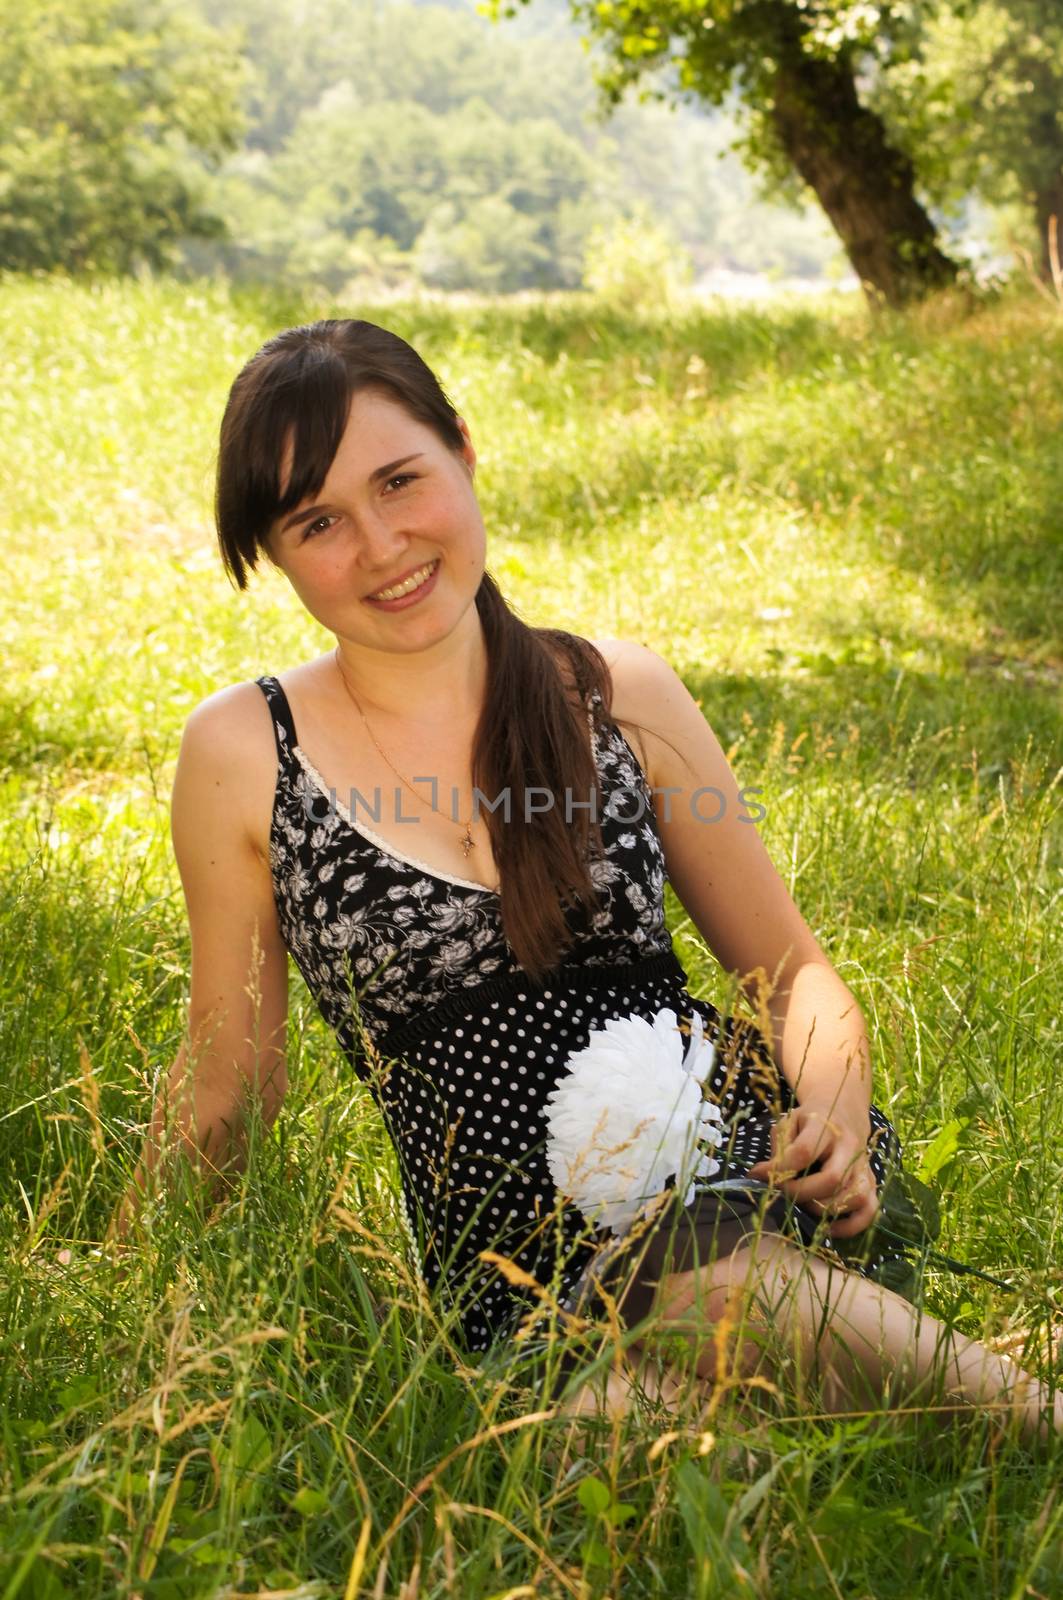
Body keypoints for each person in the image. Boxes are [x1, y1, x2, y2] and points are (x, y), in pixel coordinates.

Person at [110, 318, 1060, 1446]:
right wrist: (110, 1287)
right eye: (319, 520)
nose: (380, 546)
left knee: (718, 1292)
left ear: (464, 450)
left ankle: (1028, 1424)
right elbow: (228, 1084)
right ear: (273, 551)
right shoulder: (245, 751)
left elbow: (791, 972)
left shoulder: (616, 695)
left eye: (401, 480)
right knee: (592, 1460)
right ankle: (943, 1372)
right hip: (513, 1271)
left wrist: (835, 1114)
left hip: (736, 1183)